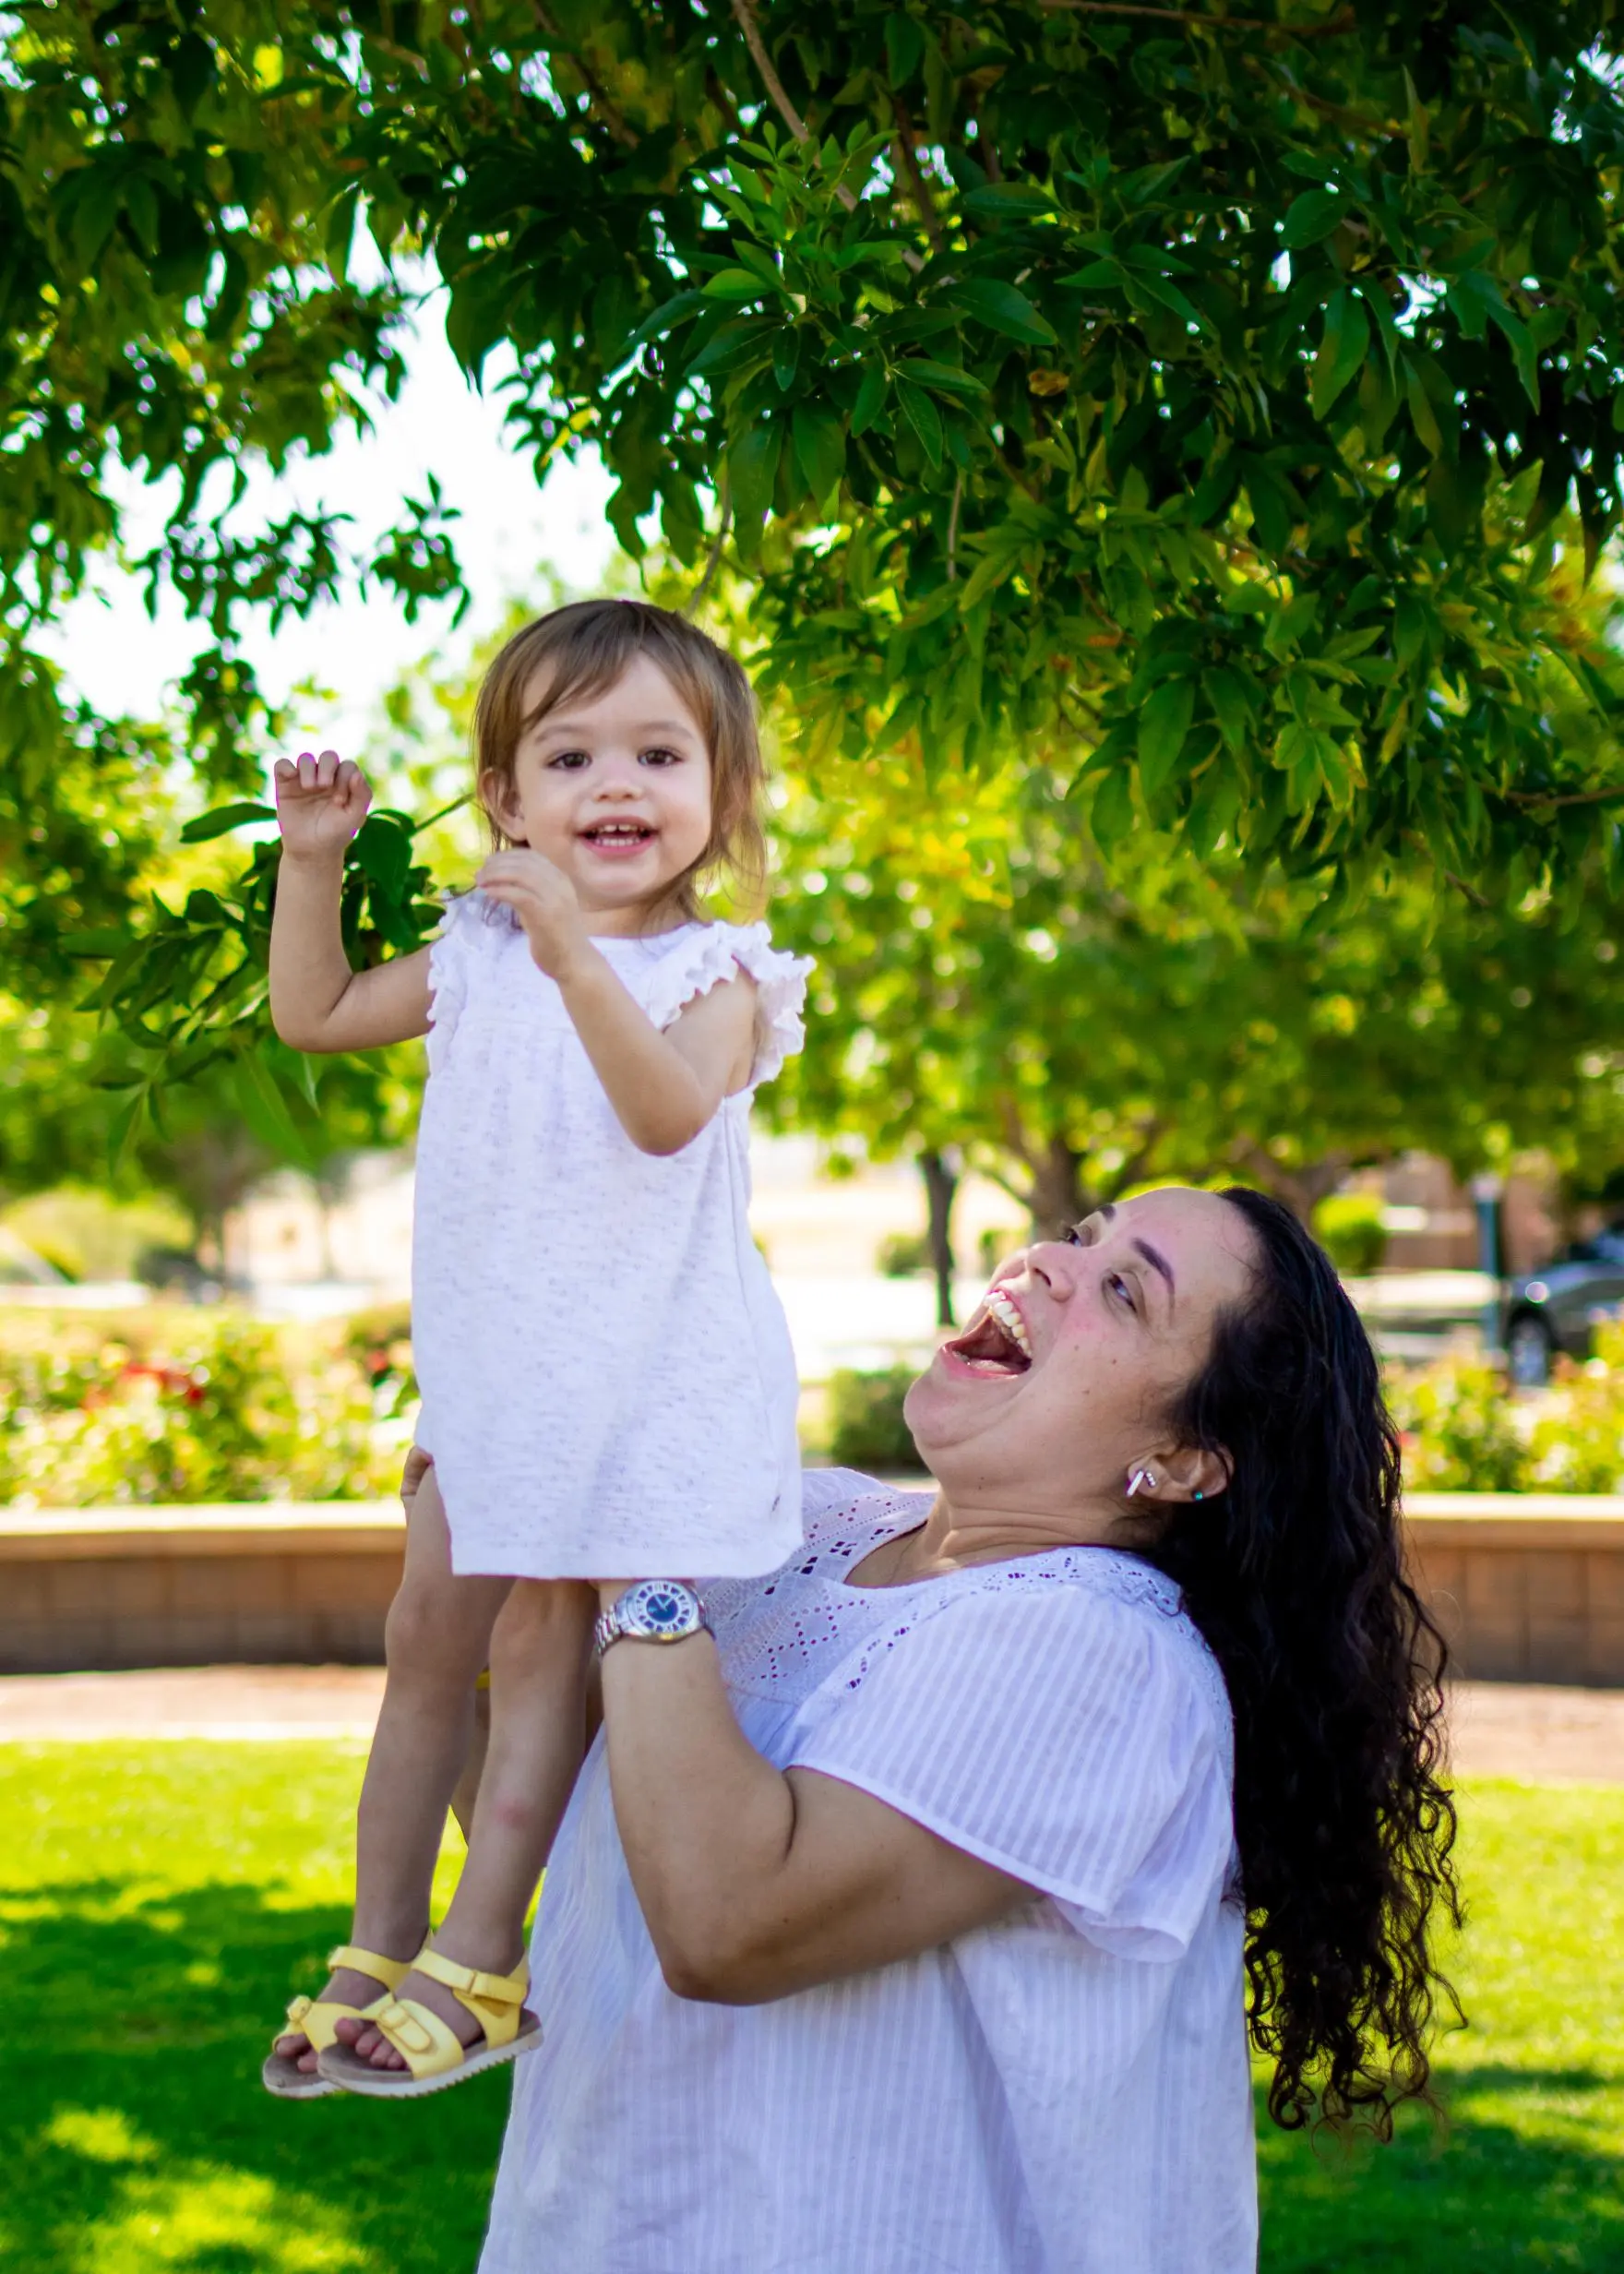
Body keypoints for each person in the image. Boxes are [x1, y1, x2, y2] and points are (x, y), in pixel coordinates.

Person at [476, 1186, 1460, 2273]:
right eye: (1082, 1237)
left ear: (1184, 1460)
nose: (1048, 1260)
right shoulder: (801, 1526)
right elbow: (547, 1824)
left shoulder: (1097, 1651)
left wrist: (641, 1542)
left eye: (1124, 1290)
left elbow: (725, 1925)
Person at [261, 598, 811, 2100]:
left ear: (721, 791)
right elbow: (310, 1011)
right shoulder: (477, 955)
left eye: (657, 750)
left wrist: (574, 951)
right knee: (420, 1650)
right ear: (504, 800)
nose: (614, 783)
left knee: (528, 1643)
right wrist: (313, 862)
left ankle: (487, 1950)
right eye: (568, 755)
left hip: (632, 1389)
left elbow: (661, 1114)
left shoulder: (725, 976)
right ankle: (380, 1936)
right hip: (498, 1384)